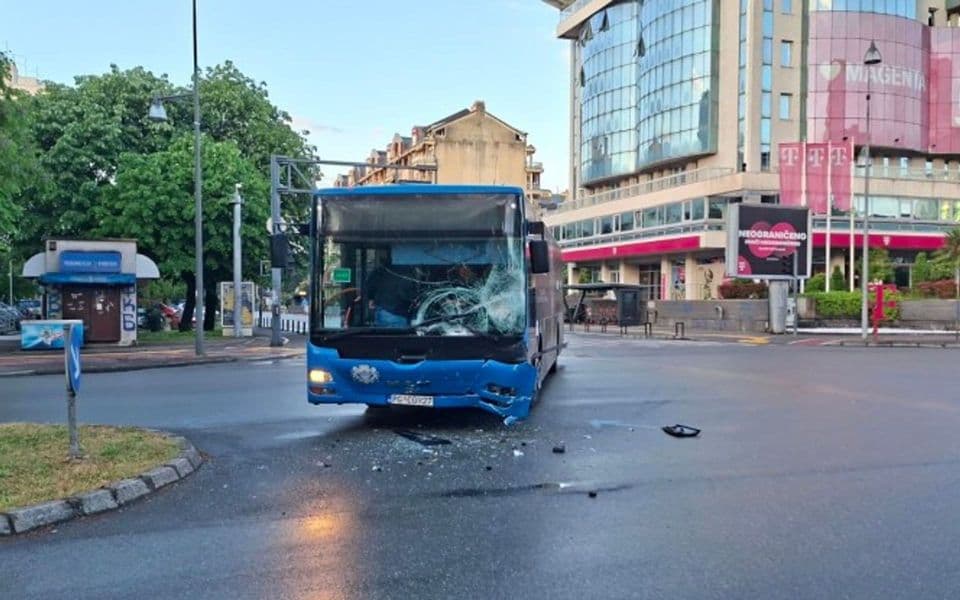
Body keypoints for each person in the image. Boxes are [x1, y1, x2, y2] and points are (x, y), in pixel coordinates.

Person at [366, 257, 418, 327]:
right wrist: (414, 299)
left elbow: (369, 286)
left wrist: (371, 298)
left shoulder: (380, 270)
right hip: (395, 313)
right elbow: (404, 292)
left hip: (380, 310)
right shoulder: (406, 273)